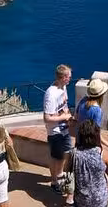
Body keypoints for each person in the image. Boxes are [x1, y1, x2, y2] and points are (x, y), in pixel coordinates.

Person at [69, 120, 108, 207]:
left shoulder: (74, 153)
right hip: (100, 200)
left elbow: (68, 170)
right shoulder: (103, 154)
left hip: (81, 199)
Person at [43, 64, 73, 194]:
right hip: (55, 131)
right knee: (57, 157)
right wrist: (64, 117)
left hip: (64, 128)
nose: (71, 79)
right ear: (63, 77)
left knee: (63, 154)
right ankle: (56, 182)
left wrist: (67, 115)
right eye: (69, 77)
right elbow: (47, 118)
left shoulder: (63, 87)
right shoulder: (51, 93)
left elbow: (64, 105)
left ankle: (57, 178)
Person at [74, 79, 108, 152]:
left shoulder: (83, 100)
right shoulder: (97, 111)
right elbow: (96, 133)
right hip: (90, 145)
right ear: (102, 95)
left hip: (79, 140)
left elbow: (76, 117)